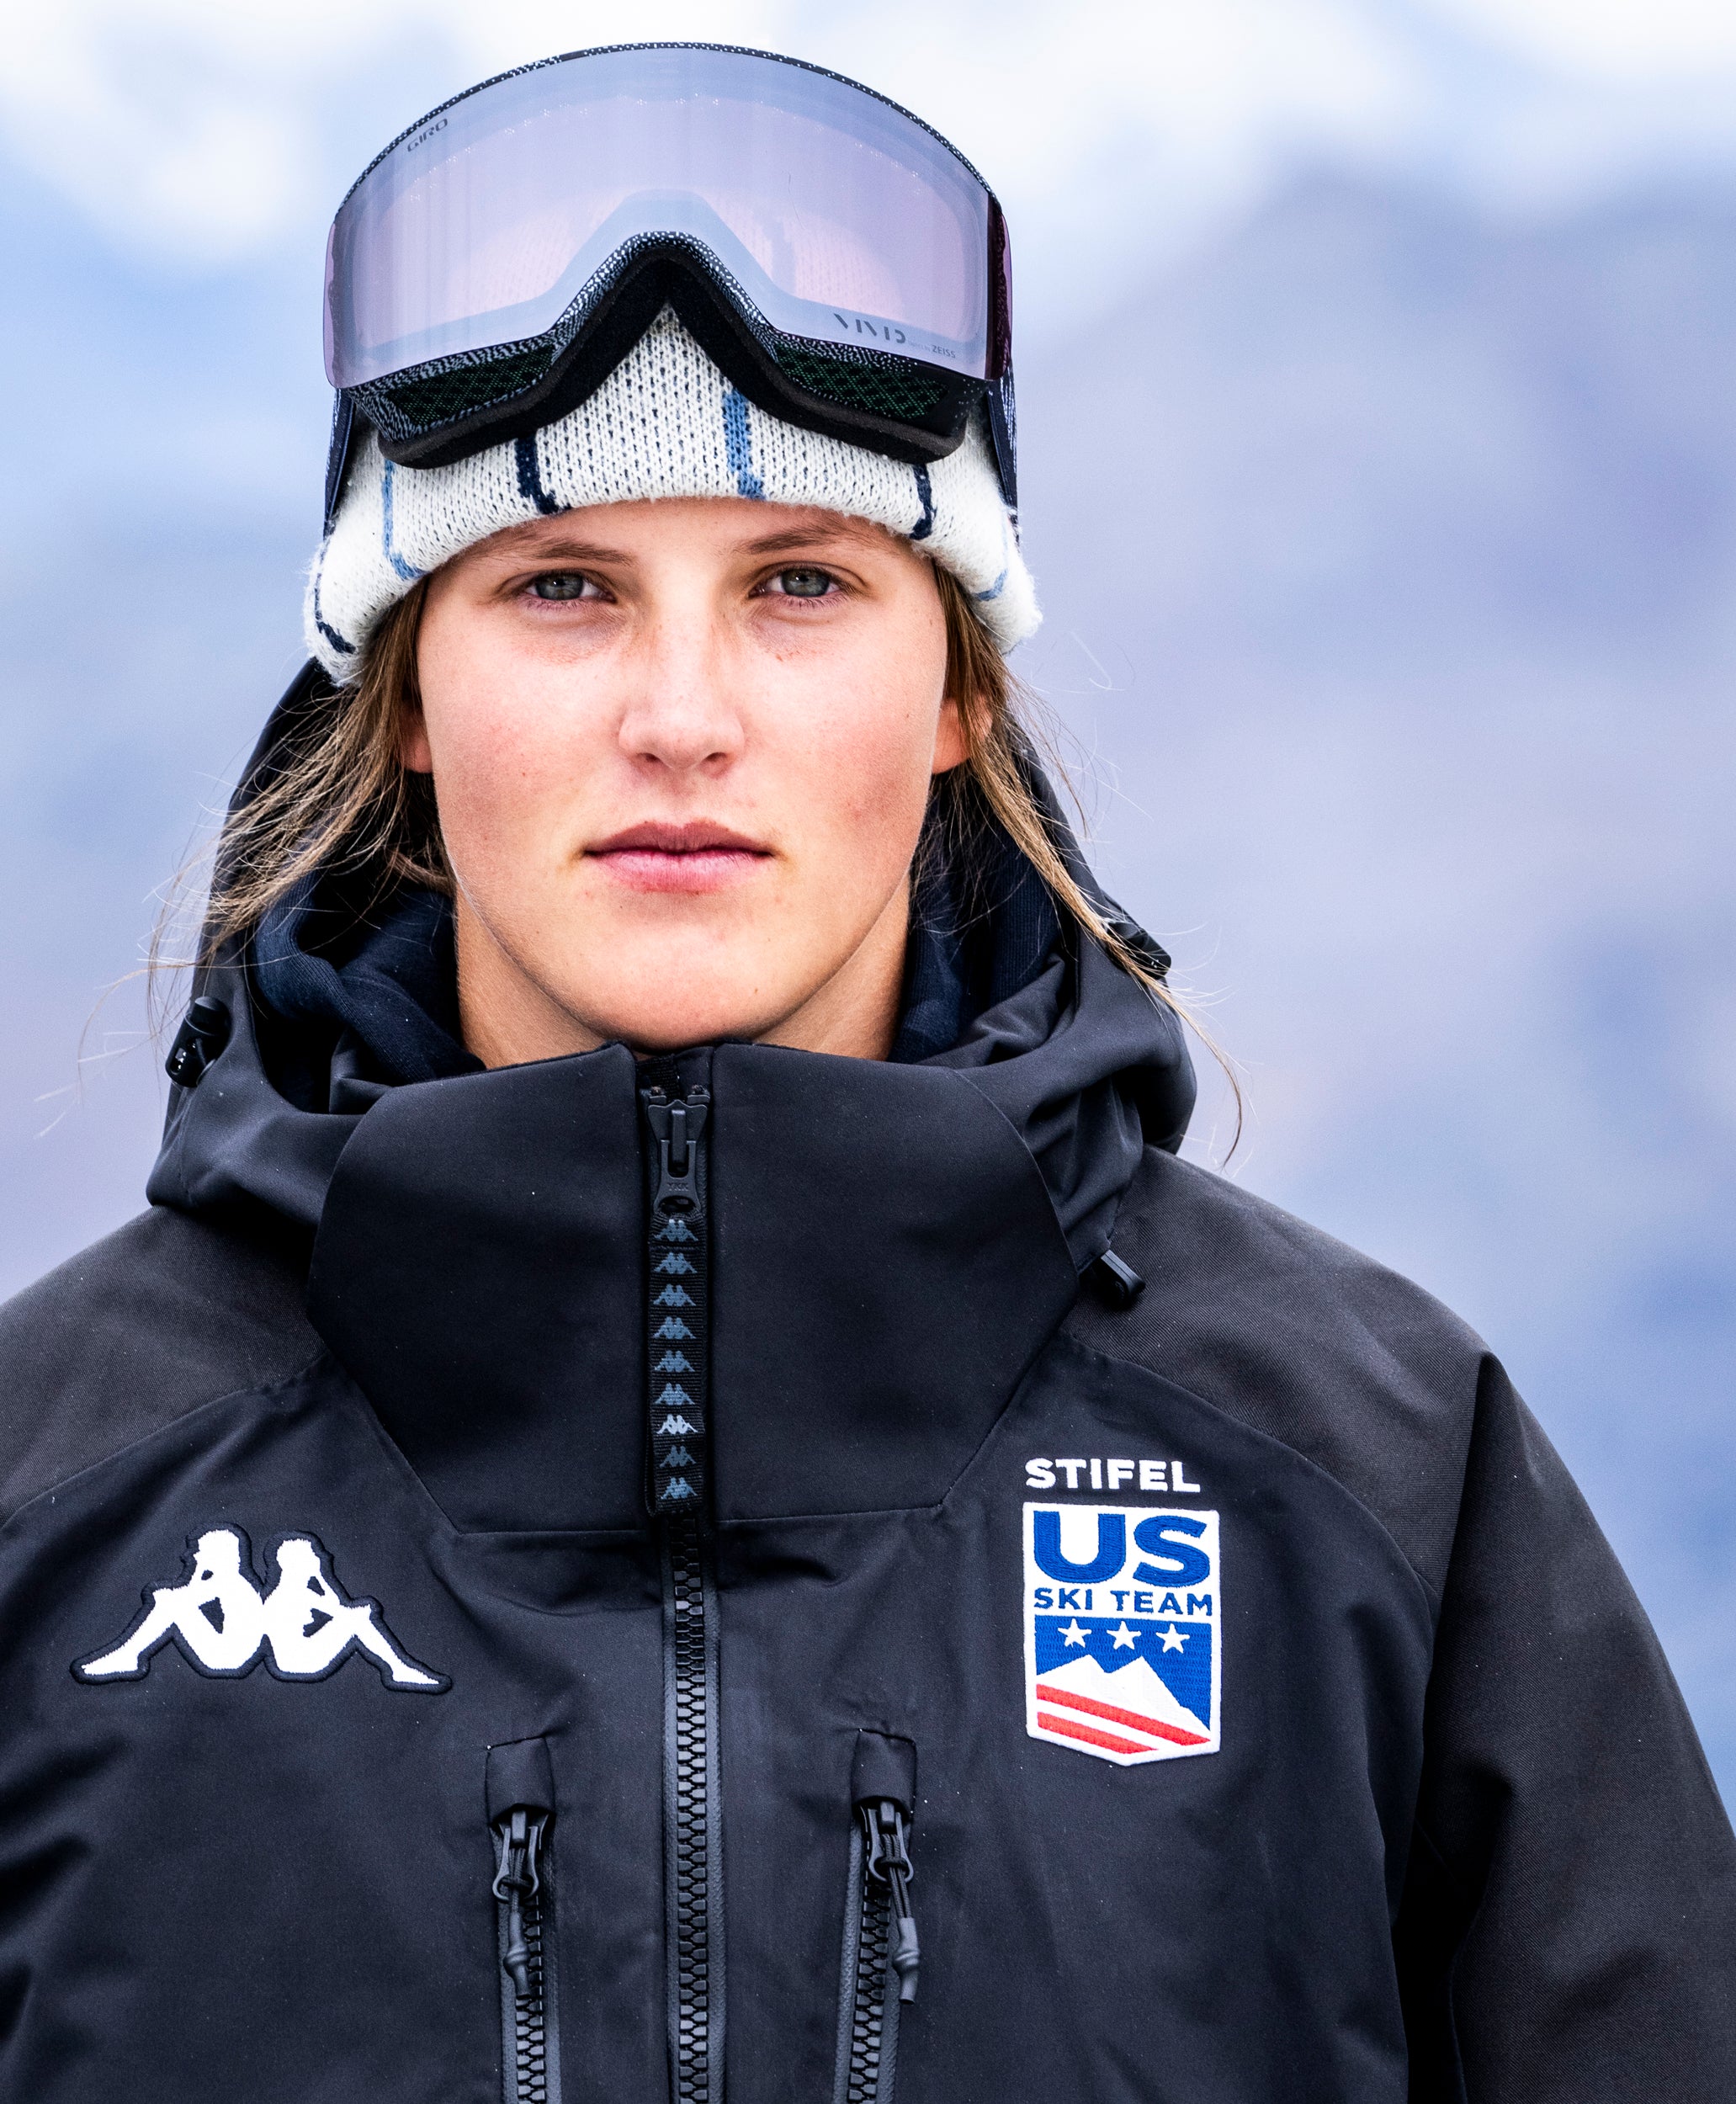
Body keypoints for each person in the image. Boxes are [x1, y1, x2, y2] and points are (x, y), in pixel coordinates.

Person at [0, 41, 1730, 2104]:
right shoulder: (56, 1501)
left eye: (801, 584)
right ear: (405, 696)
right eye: (561, 588)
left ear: (957, 687)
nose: (681, 714)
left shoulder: (1369, 1483)